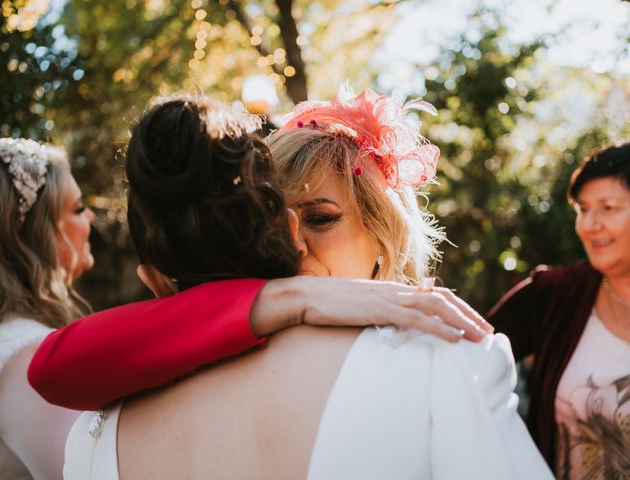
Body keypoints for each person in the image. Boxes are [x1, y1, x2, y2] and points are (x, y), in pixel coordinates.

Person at [64, 90, 552, 479]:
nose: (293, 243)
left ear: (386, 234)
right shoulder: (443, 364)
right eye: (275, 219)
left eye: (321, 218)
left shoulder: (99, 425)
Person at [488, 142, 630, 479]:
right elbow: (467, 350)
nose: (590, 224)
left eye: (608, 208)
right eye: (583, 209)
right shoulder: (553, 294)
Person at [0, 138, 90, 479]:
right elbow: (87, 470)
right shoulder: (23, 358)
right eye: (78, 209)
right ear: (40, 235)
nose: (90, 217)